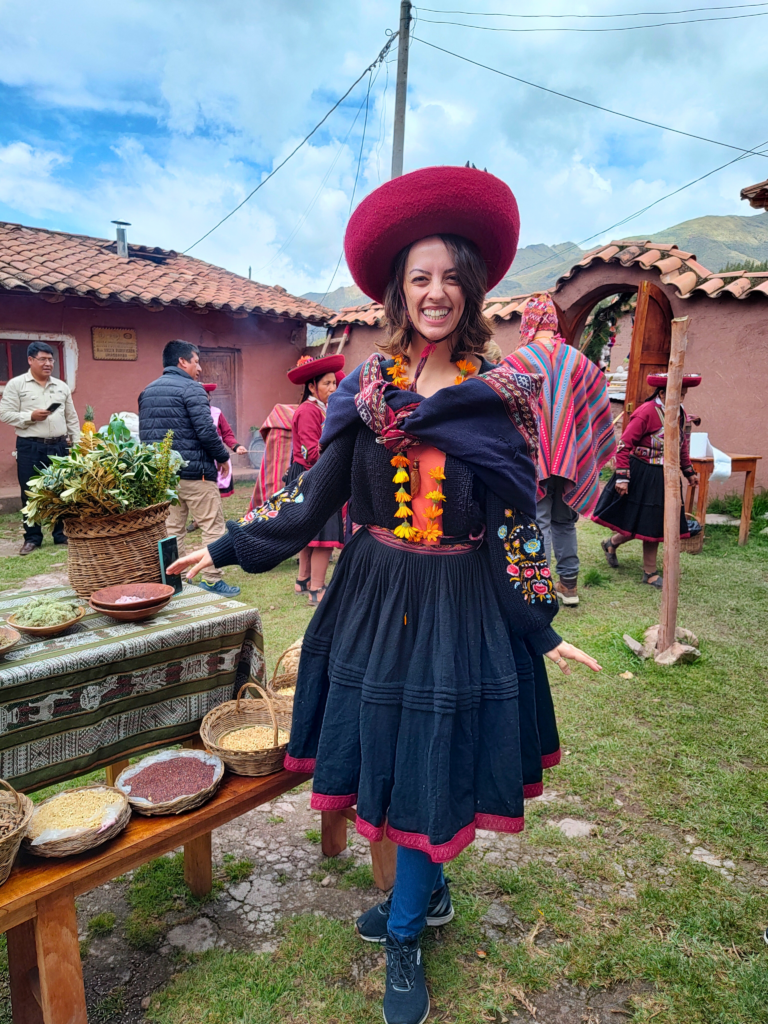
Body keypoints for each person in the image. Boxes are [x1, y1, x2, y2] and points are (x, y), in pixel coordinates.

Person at [167, 166, 601, 1024]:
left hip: (460, 604)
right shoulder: (367, 394)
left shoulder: (499, 397)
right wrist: (223, 544)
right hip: (374, 596)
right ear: (399, 294)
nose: (436, 293)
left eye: (450, 277)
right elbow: (311, 495)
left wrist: (540, 628)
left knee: (436, 753)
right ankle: (423, 902)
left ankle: (406, 930)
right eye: (419, 278)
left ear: (470, 289)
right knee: (397, 751)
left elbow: (517, 521)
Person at [505, 293, 616, 607]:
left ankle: (541, 587)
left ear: (528, 321)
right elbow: (598, 393)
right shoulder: (578, 360)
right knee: (564, 521)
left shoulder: (517, 361)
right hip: (573, 456)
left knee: (537, 519)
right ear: (552, 322)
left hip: (531, 457)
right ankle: (569, 587)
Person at [138, 340, 240, 597]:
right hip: (197, 474)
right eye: (196, 361)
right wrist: (222, 457)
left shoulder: (147, 392)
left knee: (171, 530)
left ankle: (175, 581)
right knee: (212, 527)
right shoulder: (193, 390)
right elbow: (206, 431)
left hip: (164, 477)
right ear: (182, 362)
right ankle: (212, 580)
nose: (200, 367)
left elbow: (144, 435)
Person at [593, 372, 701, 588]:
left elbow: (681, 445)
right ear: (663, 393)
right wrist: (622, 478)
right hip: (643, 473)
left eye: (683, 394)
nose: (682, 399)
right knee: (646, 521)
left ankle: (611, 543)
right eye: (679, 394)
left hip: (666, 476)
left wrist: (688, 472)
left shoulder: (679, 412)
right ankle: (649, 572)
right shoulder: (646, 412)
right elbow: (624, 446)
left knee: (654, 523)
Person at [0, 342, 80, 555]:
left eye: (51, 359)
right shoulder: (17, 385)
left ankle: (61, 533)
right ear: (30, 360)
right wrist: (29, 416)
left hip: (59, 445)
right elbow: (4, 413)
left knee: (62, 491)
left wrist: (78, 444)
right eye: (43, 359)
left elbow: (71, 417)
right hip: (30, 446)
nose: (48, 364)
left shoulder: (61, 386)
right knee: (30, 493)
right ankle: (32, 537)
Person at [285, 354, 345, 604]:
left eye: (334, 384)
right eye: (327, 384)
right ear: (311, 386)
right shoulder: (309, 411)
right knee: (323, 536)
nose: (333, 388)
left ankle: (303, 580)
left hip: (307, 474)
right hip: (316, 474)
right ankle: (317, 589)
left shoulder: (317, 409)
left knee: (309, 531)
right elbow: (311, 452)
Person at [201, 383, 247, 500]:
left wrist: (236, 446)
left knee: (215, 493)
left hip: (216, 456)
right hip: (199, 457)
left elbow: (227, 434)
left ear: (209, 397)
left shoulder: (217, 413)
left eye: (205, 395)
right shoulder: (189, 414)